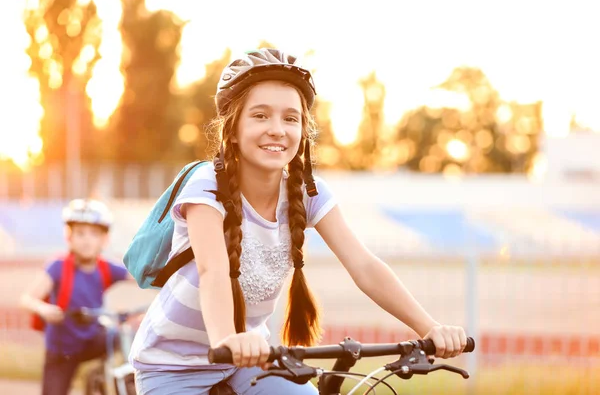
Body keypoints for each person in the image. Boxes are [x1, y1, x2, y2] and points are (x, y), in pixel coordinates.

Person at [130, 48, 468, 394]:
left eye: (290, 119)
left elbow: (364, 265)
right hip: (173, 365)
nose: (277, 130)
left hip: (250, 361)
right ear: (231, 130)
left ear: (304, 131)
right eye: (260, 116)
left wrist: (429, 328)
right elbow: (212, 271)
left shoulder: (308, 191)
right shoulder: (206, 183)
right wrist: (228, 340)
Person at [20, 199, 130, 395]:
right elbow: (27, 299)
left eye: (94, 234)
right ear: (69, 237)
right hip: (62, 350)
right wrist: (43, 309)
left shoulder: (106, 267)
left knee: (122, 334)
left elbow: (139, 277)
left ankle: (111, 377)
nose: (87, 240)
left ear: (105, 239)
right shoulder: (58, 267)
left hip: (92, 340)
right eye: (80, 233)